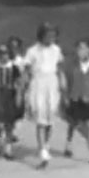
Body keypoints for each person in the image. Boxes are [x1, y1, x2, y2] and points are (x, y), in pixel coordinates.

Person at [24, 22, 65, 168]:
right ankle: (42, 150)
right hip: (38, 83)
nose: (51, 38)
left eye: (53, 36)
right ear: (41, 35)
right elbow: (27, 71)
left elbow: (59, 68)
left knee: (50, 117)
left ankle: (46, 144)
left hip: (51, 83)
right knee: (41, 118)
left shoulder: (56, 50)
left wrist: (62, 82)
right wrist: (25, 88)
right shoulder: (33, 51)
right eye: (48, 35)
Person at [63, 38, 89, 163]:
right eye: (78, 48)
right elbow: (68, 81)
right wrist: (66, 97)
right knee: (73, 123)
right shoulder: (73, 65)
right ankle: (68, 143)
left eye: (83, 48)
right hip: (75, 98)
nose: (80, 51)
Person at [0, 43, 22, 159]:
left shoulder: (13, 68)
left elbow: (18, 83)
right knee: (0, 120)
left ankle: (8, 148)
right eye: (1, 55)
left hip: (10, 95)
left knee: (10, 121)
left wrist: (19, 95)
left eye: (6, 54)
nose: (4, 57)